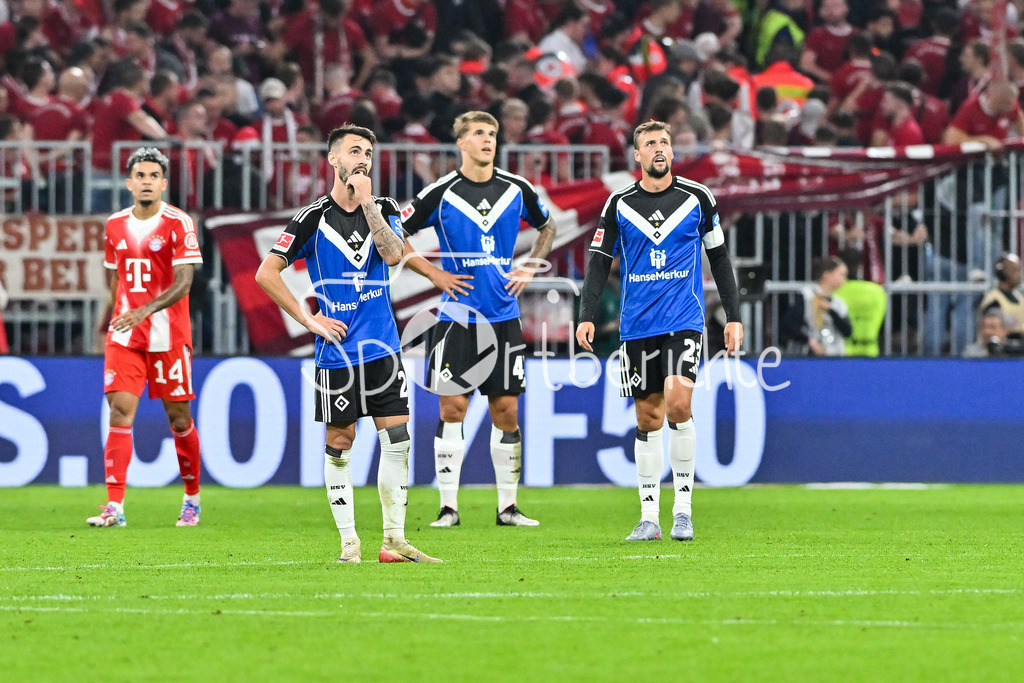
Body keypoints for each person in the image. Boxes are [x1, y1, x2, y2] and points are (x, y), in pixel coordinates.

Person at [255, 124, 439, 564]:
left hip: (383, 348)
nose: (363, 159)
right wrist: (308, 320)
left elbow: (394, 256)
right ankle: (349, 541)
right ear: (332, 160)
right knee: (341, 441)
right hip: (337, 353)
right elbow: (266, 273)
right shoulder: (311, 218)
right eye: (354, 151)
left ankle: (393, 541)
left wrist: (370, 202)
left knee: (398, 439)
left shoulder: (385, 207)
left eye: (369, 153)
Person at [575, 120, 743, 542]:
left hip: (684, 319)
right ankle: (649, 517)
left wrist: (734, 315)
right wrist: (586, 313)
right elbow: (598, 262)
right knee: (647, 416)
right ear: (637, 155)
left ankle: (682, 511)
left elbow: (719, 258)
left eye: (664, 142)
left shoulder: (697, 198)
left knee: (677, 401)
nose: (659, 148)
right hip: (637, 326)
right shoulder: (619, 204)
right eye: (650, 143)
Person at [401, 111, 556, 528]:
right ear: (462, 144)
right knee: (453, 408)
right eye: (479, 134)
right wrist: (434, 274)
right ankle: (448, 508)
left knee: (506, 410)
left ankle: (508, 508)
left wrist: (530, 265)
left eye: (492, 134)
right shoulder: (441, 192)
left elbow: (548, 225)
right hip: (456, 317)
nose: (488, 140)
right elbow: (395, 235)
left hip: (503, 316)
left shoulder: (516, 188)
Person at [88, 147, 203, 528]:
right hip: (125, 337)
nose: (147, 181)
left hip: (168, 336)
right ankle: (114, 507)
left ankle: (191, 498)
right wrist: (115, 316)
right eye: (140, 175)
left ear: (164, 183)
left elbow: (185, 283)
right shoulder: (115, 225)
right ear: (129, 182)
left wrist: (145, 310)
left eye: (154, 176)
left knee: (179, 418)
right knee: (120, 412)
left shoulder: (178, 223)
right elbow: (114, 279)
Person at [781, 255, 852, 356]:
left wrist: (831, 311)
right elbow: (788, 325)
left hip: (834, 357)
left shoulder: (838, 303)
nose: (845, 279)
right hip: (806, 357)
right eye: (842, 274)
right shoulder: (807, 296)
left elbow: (848, 331)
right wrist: (810, 341)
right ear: (827, 274)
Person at [978, 253, 1024, 334]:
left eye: (1020, 270)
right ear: (1002, 274)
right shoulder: (993, 301)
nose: (1019, 275)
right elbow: (990, 332)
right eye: (1015, 270)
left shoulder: (1019, 298)